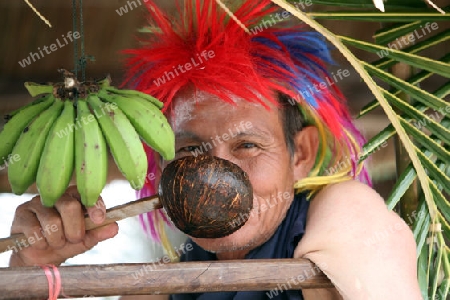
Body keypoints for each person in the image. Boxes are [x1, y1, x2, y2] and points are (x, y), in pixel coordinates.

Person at [9, 0, 422, 299]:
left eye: (247, 145)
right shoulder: (160, 287)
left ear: (301, 155)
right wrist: (28, 272)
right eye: (189, 152)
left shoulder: (343, 209)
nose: (214, 173)